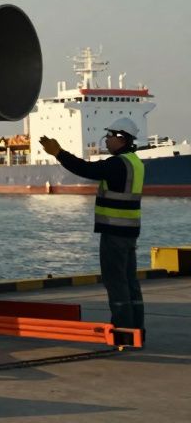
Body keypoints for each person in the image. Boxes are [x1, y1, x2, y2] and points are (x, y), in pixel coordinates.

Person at [38, 117, 144, 334]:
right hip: (129, 232)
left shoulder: (117, 164)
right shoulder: (136, 162)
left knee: (115, 282)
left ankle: (123, 331)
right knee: (130, 281)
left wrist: (59, 153)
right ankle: (137, 329)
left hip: (114, 232)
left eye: (110, 136)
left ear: (121, 139)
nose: (106, 140)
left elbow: (86, 169)